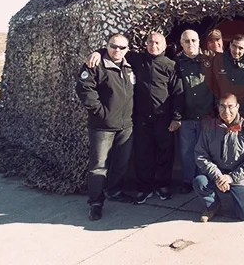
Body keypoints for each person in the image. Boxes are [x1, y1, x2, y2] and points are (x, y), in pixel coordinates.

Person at [85, 32, 184, 204]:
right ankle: (144, 188)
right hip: (140, 118)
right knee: (142, 154)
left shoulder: (171, 65)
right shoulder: (135, 59)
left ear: (164, 44)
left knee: (165, 152)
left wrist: (176, 117)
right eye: (151, 42)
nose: (154, 45)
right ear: (146, 44)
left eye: (158, 42)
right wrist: (98, 52)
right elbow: (115, 51)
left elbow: (178, 93)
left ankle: (162, 185)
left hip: (163, 118)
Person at [76, 34, 136, 221]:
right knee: (98, 166)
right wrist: (101, 113)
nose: (117, 50)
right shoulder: (95, 64)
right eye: (113, 46)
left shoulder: (129, 65)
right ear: (107, 46)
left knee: (121, 162)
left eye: (121, 47)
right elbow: (84, 89)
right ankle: (95, 202)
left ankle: (114, 191)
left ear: (128, 49)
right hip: (102, 126)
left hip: (125, 126)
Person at [194, 93, 244, 222]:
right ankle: (213, 206)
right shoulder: (209, 127)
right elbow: (201, 155)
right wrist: (218, 176)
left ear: (237, 107)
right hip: (216, 174)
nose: (227, 111)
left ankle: (241, 198)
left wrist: (231, 177)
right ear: (218, 107)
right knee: (199, 181)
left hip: (238, 176)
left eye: (231, 106)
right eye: (222, 106)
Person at [175, 29, 215, 194]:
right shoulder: (176, 62)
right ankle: (187, 180)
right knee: (187, 150)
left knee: (205, 150)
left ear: (199, 41)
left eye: (193, 40)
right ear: (181, 43)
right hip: (186, 116)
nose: (190, 44)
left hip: (207, 114)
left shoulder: (210, 60)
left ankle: (203, 180)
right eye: (186, 41)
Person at [210, 34, 244, 123]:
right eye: (234, 46)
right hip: (225, 110)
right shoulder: (219, 60)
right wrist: (218, 105)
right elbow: (214, 84)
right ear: (230, 45)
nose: (236, 51)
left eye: (240, 48)